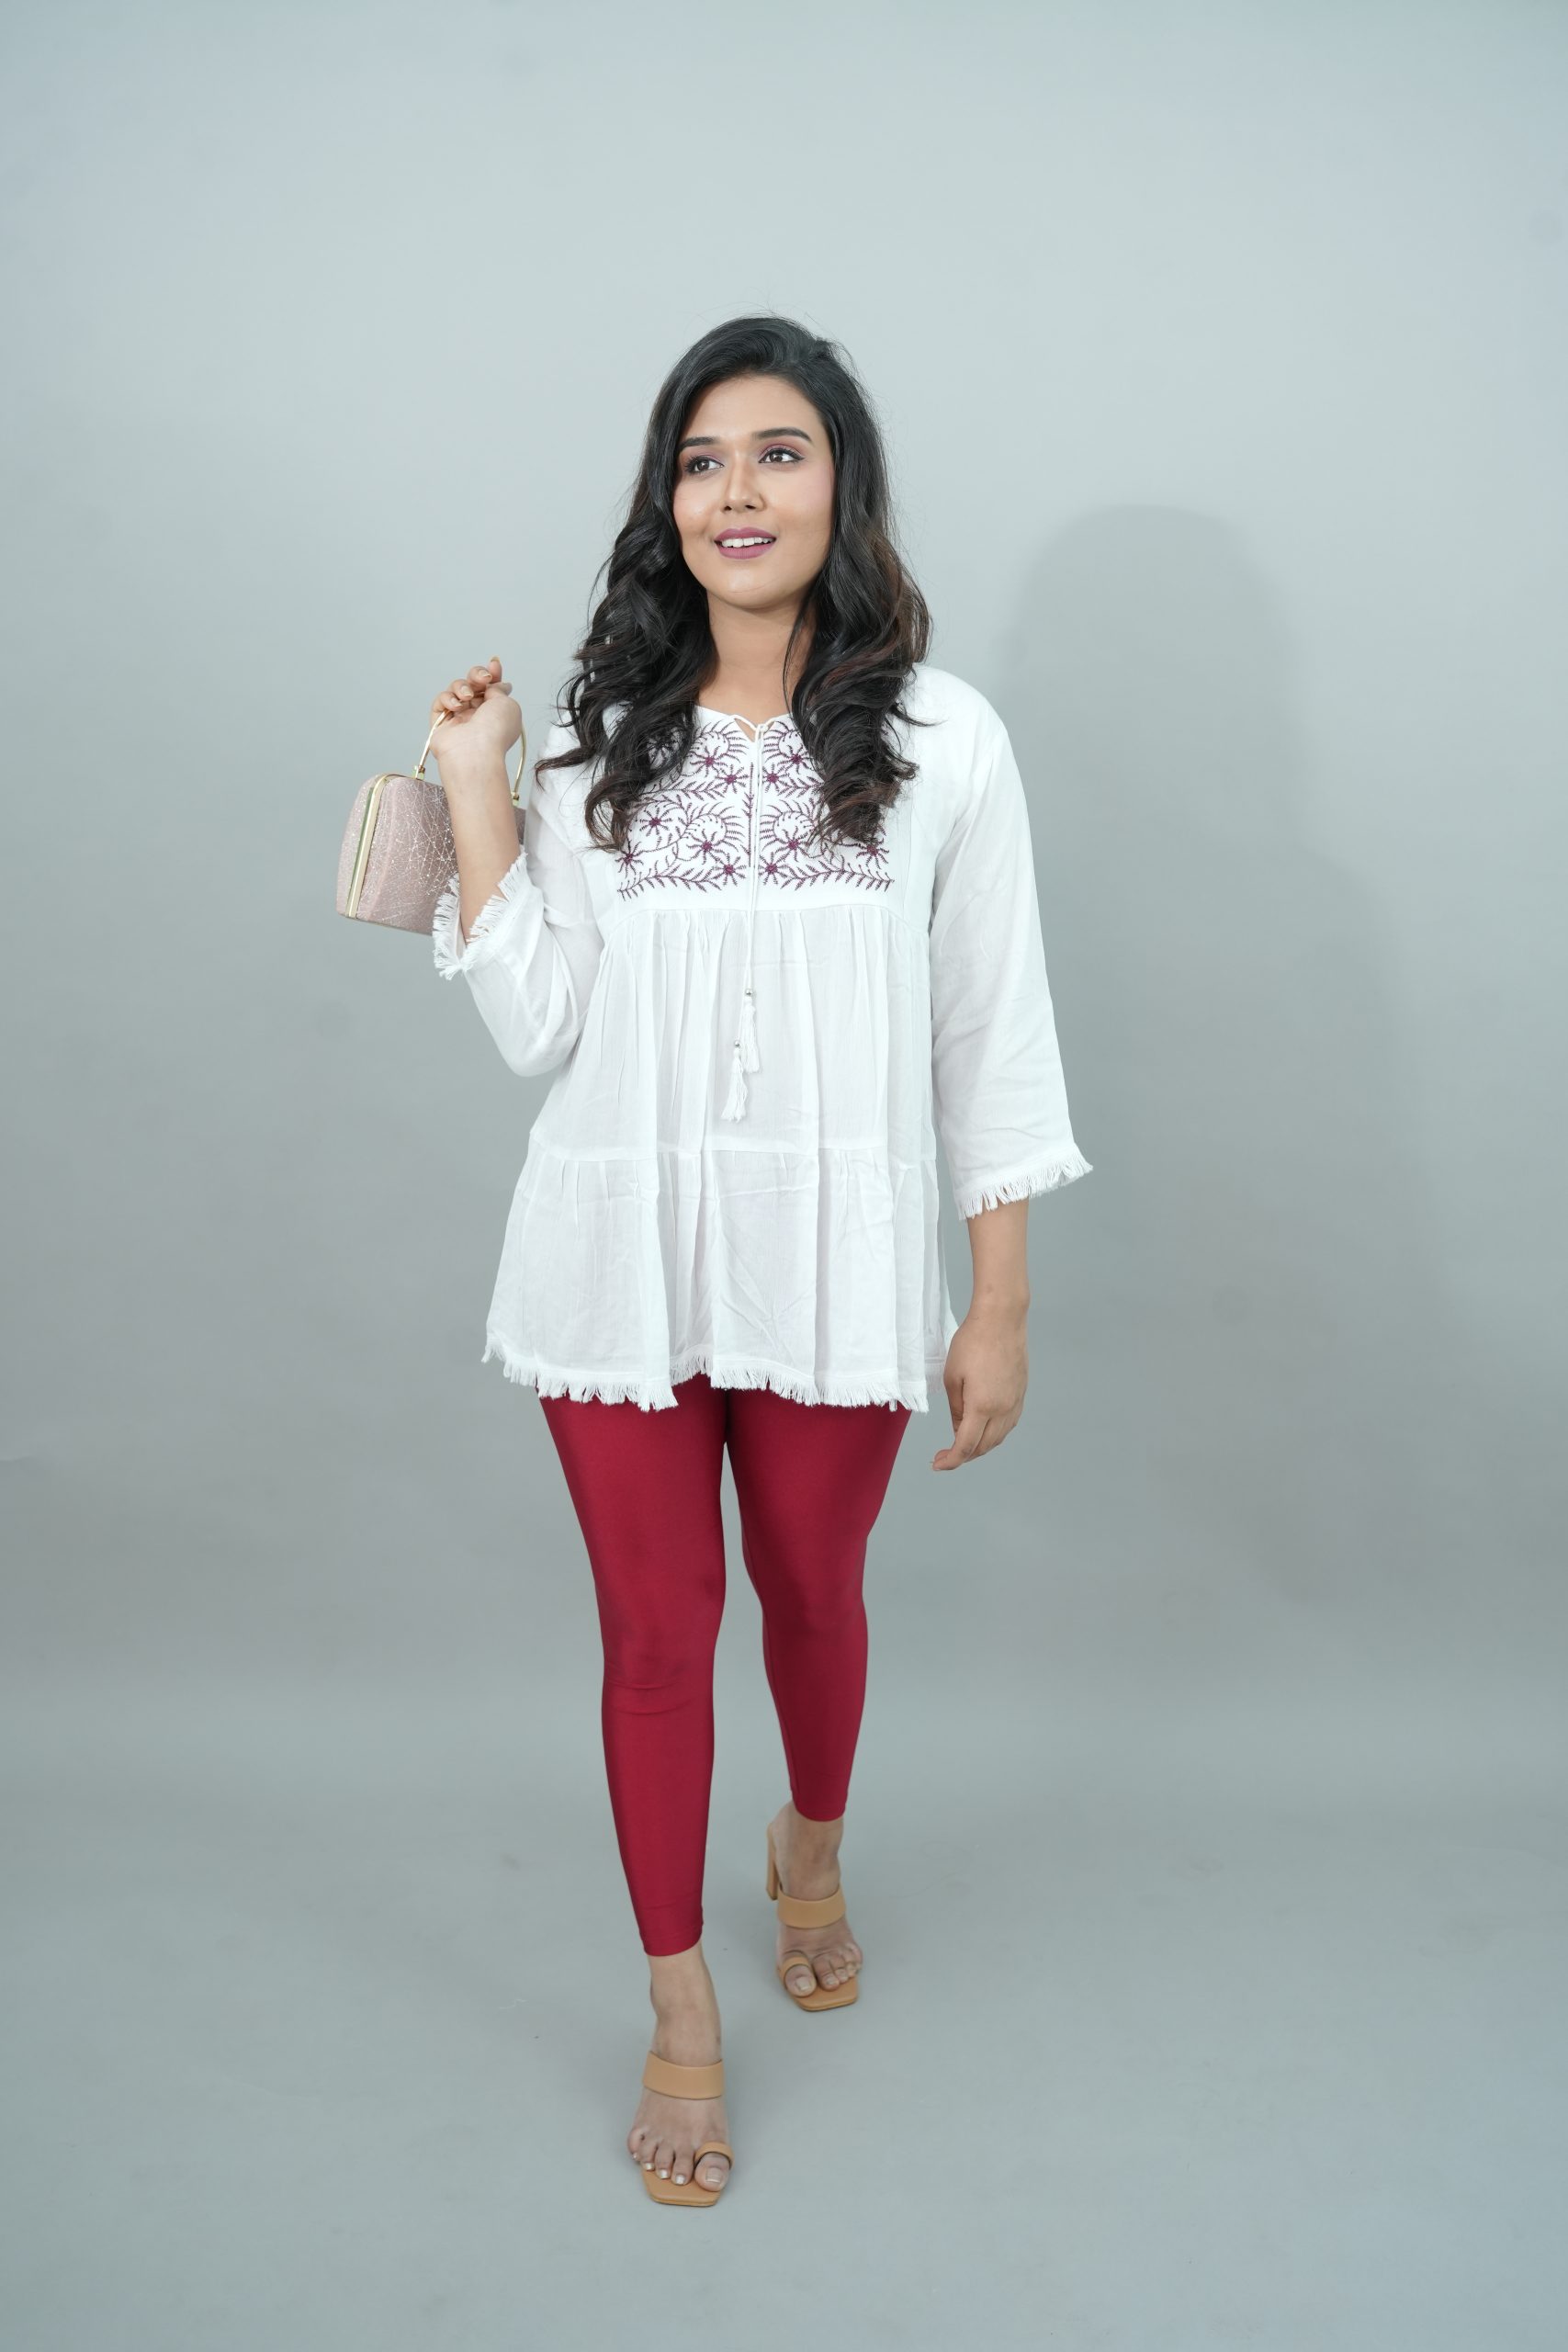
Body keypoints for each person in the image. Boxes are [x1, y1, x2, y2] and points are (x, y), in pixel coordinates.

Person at [427, 314, 1092, 2206]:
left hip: (832, 1259)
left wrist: (1000, 1300)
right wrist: (478, 784)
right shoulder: (597, 745)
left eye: (778, 452)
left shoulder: (945, 739)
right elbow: (538, 1025)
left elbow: (990, 1029)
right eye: (702, 458)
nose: (738, 490)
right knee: (655, 1637)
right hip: (614, 1258)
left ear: (840, 488)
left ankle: (809, 1841)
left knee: (811, 1587)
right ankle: (678, 1999)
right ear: (667, 501)